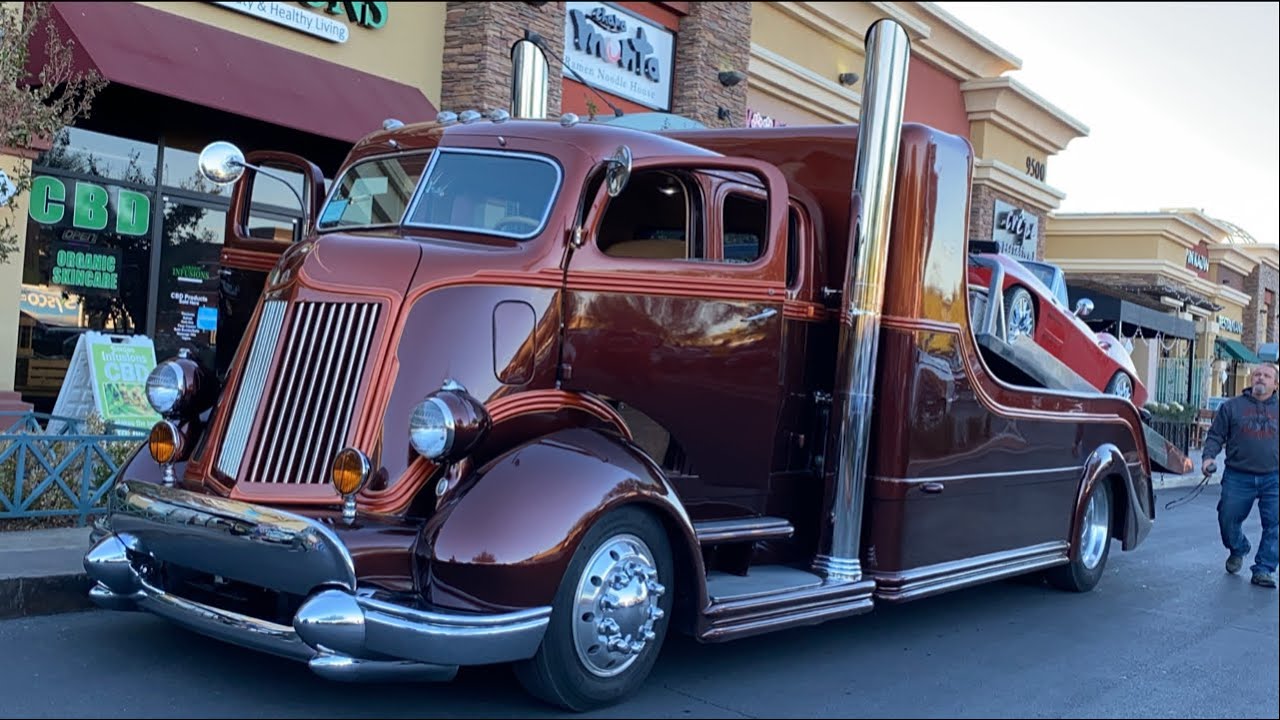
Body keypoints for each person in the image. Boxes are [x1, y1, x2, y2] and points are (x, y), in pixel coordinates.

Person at [1201, 363, 1279, 588]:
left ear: (1275, 384)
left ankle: (1264, 569)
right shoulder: (1232, 407)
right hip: (1238, 475)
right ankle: (1238, 547)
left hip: (1273, 477)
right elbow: (1216, 436)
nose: (1260, 378)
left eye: (1266, 376)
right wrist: (1208, 458)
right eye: (1257, 375)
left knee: (1275, 524)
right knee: (1227, 518)